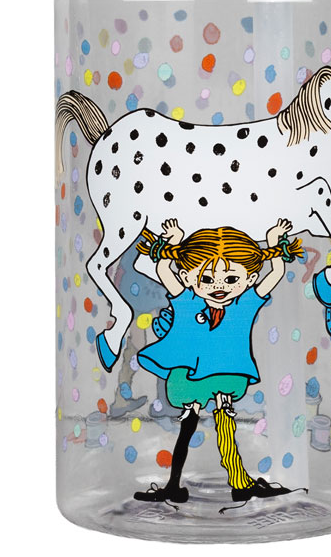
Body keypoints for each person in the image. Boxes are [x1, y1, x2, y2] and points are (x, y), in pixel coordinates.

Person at [133, 217, 303, 506]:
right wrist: (174, 241)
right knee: (188, 426)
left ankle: (239, 482)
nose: (219, 287)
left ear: (250, 279)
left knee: (226, 424)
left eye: (232, 279)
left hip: (227, 372)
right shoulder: (187, 301)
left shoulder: (245, 303)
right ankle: (174, 485)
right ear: (187, 277)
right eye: (207, 279)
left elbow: (276, 272)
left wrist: (274, 242)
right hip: (192, 374)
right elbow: (163, 269)